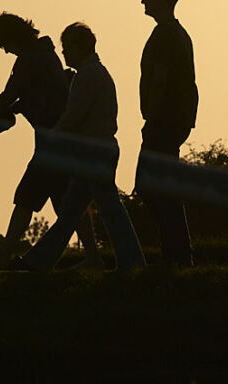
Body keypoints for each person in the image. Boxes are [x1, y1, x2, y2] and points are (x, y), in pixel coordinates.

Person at [0, 12, 101, 268]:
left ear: (12, 38)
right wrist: (22, 105)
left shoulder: (30, 59)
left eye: (4, 45)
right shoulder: (45, 54)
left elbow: (10, 93)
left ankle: (4, 253)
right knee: (66, 201)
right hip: (59, 138)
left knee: (26, 196)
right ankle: (94, 257)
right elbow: (39, 92)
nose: (6, 51)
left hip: (53, 140)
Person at [19, 23, 146, 271]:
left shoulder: (88, 76)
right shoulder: (96, 73)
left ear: (78, 47)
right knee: (71, 212)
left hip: (93, 152)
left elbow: (74, 115)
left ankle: (132, 262)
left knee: (105, 210)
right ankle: (37, 262)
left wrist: (53, 137)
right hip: (98, 150)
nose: (64, 54)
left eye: (67, 48)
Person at [135, 0, 199, 267]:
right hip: (174, 120)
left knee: (151, 186)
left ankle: (178, 255)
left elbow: (160, 77)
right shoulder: (177, 34)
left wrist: (150, 111)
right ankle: (177, 254)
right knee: (160, 187)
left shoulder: (165, 35)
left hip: (164, 120)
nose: (143, 1)